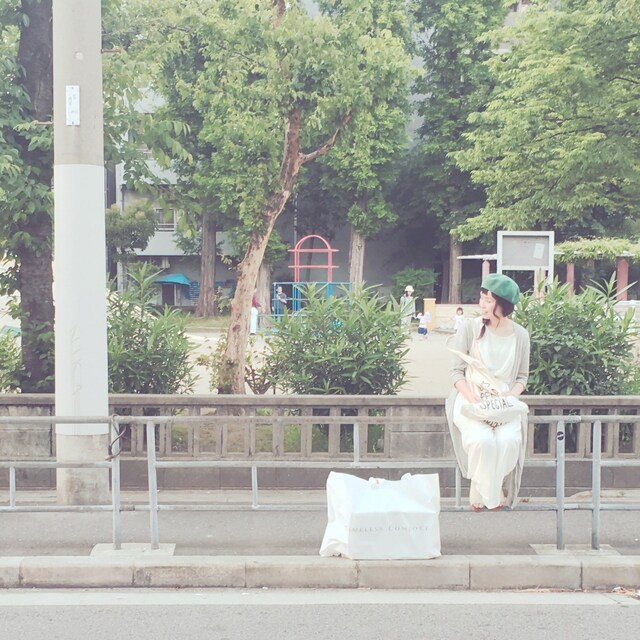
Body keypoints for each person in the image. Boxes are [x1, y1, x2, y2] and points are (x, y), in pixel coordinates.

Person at [445, 273, 530, 512]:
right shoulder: (470, 328)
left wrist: (510, 396)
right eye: (482, 298)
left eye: (489, 300)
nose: (482, 304)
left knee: (509, 442)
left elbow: (522, 377)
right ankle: (486, 489)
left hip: (504, 403)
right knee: (482, 441)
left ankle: (487, 486)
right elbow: (455, 372)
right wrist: (471, 396)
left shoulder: (520, 335)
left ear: (503, 305)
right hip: (471, 399)